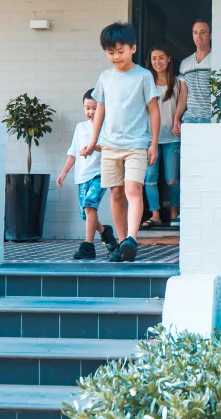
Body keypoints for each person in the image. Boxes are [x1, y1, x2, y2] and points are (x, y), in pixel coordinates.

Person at [81, 23, 160, 263]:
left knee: (132, 189)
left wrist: (154, 144)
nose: (116, 57)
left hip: (136, 144)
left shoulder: (144, 76)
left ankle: (132, 239)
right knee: (115, 193)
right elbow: (100, 112)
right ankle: (122, 243)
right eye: (110, 52)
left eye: (120, 51)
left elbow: (154, 111)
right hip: (110, 146)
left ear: (133, 48)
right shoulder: (105, 78)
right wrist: (93, 142)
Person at [57, 89, 117, 260]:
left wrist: (93, 148)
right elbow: (73, 152)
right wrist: (64, 172)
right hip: (82, 176)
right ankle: (106, 232)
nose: (90, 112)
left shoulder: (107, 126)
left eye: (95, 108)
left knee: (90, 205)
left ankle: (88, 245)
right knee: (86, 213)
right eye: (87, 108)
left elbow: (110, 148)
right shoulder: (80, 127)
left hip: (100, 173)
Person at [142, 44, 186, 229]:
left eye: (161, 57)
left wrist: (178, 120)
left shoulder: (178, 82)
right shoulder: (146, 82)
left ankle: (175, 214)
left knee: (172, 179)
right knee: (150, 179)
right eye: (154, 58)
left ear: (168, 59)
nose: (157, 62)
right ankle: (156, 215)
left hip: (172, 137)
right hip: (150, 138)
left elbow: (182, 103)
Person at [178, 18, 213, 126]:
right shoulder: (185, 63)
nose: (198, 36)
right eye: (195, 32)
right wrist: (176, 119)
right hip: (190, 119)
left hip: (212, 119)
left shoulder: (217, 61)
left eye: (203, 32)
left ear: (210, 35)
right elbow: (183, 94)